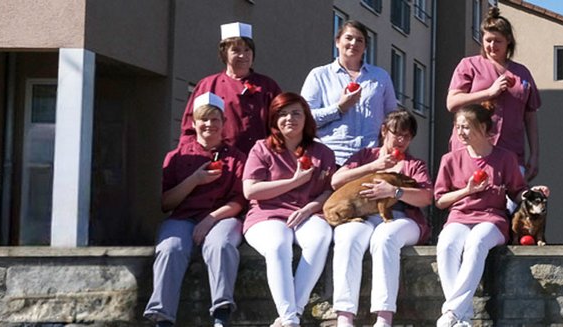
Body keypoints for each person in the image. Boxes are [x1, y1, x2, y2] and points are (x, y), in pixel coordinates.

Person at [433, 104, 550, 327]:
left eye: (466, 127)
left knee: (477, 242)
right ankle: (460, 318)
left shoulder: (505, 158)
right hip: (459, 217)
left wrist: (533, 194)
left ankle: (451, 312)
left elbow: (517, 192)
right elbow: (440, 200)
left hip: (492, 219)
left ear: (484, 128)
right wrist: (467, 191)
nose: (460, 132)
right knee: (447, 244)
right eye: (458, 127)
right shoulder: (450, 159)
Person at [145, 93, 245, 327]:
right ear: (193, 123)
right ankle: (162, 316)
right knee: (170, 248)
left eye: (215, 119)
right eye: (204, 119)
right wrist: (195, 180)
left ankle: (221, 313)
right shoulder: (177, 157)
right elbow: (166, 203)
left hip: (222, 217)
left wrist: (210, 219)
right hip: (183, 217)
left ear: (224, 123)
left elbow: (240, 201)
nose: (209, 124)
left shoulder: (237, 159)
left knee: (220, 246)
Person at [326, 111, 432, 327]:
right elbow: (336, 181)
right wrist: (373, 167)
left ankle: (384, 317)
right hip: (360, 215)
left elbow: (426, 197)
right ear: (384, 131)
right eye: (397, 134)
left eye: (407, 136)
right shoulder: (366, 155)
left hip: (403, 218)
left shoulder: (415, 165)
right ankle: (344, 316)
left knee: (385, 238)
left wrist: (395, 191)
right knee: (347, 237)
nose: (401, 140)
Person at [240, 93, 337, 327]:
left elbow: (328, 191)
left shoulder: (323, 153)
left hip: (308, 213)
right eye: (282, 114)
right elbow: (250, 191)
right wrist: (294, 182)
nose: (289, 118)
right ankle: (291, 319)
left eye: (296, 113)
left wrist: (309, 209)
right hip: (266, 215)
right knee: (278, 244)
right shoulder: (261, 149)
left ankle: (290, 315)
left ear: (306, 118)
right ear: (274, 119)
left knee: (321, 237)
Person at [445, 6, 542, 180]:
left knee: (510, 204)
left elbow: (530, 117)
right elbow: (452, 103)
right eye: (488, 40)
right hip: (470, 152)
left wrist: (534, 154)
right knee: (471, 202)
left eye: (498, 41)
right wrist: (489, 92)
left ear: (508, 41)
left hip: (510, 151)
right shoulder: (469, 65)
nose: (492, 46)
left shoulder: (522, 73)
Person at [304, 20, 400, 165]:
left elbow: (392, 118)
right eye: (348, 38)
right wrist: (339, 108)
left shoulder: (380, 77)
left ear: (365, 47)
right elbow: (305, 119)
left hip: (370, 158)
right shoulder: (319, 75)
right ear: (337, 42)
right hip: (331, 157)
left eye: (360, 40)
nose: (354, 43)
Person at [179, 22, 283, 152]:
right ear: (224, 53)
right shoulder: (207, 85)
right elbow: (189, 129)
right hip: (220, 163)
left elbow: (281, 125)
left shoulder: (268, 86)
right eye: (236, 50)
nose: (243, 55)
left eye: (247, 50)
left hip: (262, 161)